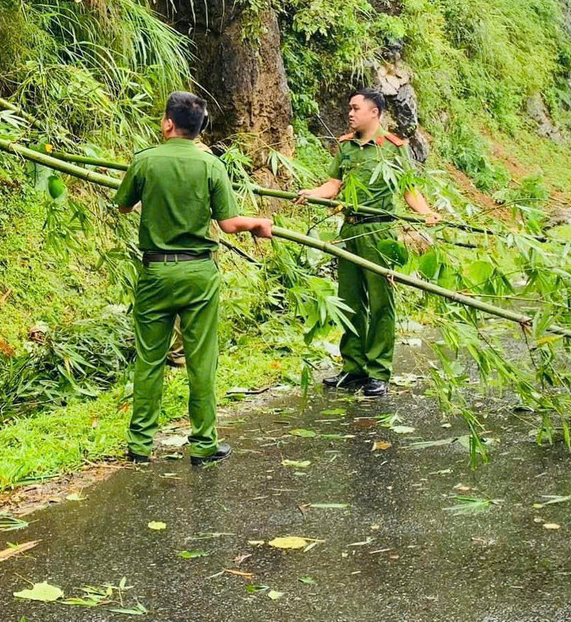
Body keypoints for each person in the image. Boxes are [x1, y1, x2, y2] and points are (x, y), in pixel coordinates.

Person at [113, 92, 273, 465]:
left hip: (156, 271)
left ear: (169, 123)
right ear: (198, 129)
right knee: (202, 360)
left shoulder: (145, 161)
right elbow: (230, 224)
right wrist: (258, 223)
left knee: (149, 358)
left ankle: (139, 445)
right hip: (199, 273)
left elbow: (122, 205)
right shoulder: (211, 166)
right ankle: (203, 444)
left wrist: (144, 200)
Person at [296, 88, 439, 397]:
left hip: (379, 233)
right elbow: (333, 186)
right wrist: (312, 194)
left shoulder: (393, 148)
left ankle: (378, 371)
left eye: (355, 108)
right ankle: (354, 368)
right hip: (350, 231)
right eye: (349, 107)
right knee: (349, 300)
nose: (350, 113)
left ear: (374, 113)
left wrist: (426, 212)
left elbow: (408, 188)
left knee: (380, 302)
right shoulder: (345, 147)